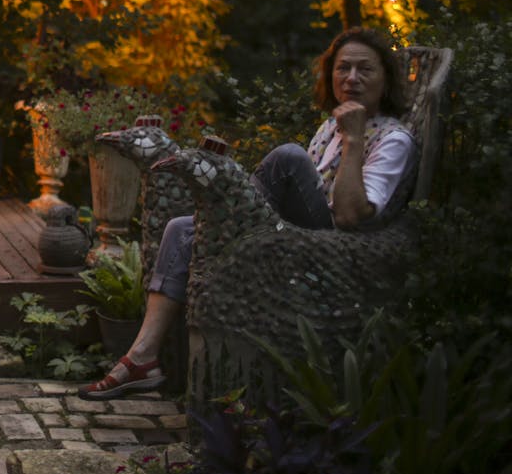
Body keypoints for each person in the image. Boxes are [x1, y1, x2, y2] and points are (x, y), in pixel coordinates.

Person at [78, 27, 415, 400]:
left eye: (365, 69)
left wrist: (354, 138)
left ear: (385, 79)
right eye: (343, 68)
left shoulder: (393, 140)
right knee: (180, 229)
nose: (351, 78)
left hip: (336, 251)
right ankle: (143, 356)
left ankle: (230, 219)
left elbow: (351, 217)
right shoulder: (329, 127)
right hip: (300, 233)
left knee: (288, 156)